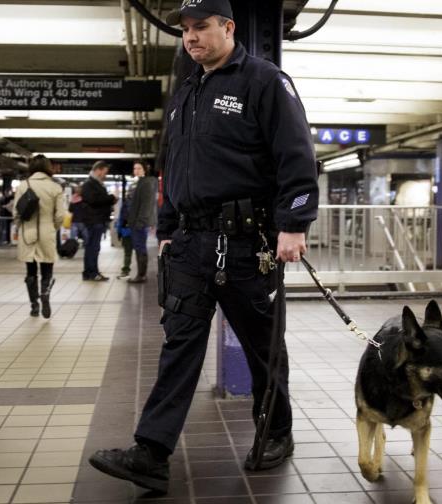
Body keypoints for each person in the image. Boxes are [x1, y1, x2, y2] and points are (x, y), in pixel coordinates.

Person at [89, 0, 319, 493]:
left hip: (247, 243)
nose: (192, 37)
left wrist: (294, 223)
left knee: (262, 347)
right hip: (191, 243)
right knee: (179, 346)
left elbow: (296, 155)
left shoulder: (263, 80)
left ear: (228, 27)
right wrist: (168, 228)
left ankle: (276, 431)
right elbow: (173, 166)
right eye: (186, 30)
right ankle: (151, 452)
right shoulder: (186, 91)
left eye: (201, 27)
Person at [14, 156, 65, 318]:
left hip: (27, 232)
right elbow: (60, 215)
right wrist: (53, 228)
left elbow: (16, 213)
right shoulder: (55, 188)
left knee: (31, 272)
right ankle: (45, 294)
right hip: (47, 232)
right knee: (47, 269)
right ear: (47, 167)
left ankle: (34, 306)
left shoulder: (23, 186)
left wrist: (21, 227)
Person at [80, 160, 117, 281]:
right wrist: (111, 198)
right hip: (94, 221)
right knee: (93, 247)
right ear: (98, 170)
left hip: (97, 220)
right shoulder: (89, 184)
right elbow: (94, 200)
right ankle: (91, 273)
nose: (105, 175)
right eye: (104, 172)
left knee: (93, 247)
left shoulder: (96, 183)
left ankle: (91, 272)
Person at [125, 161, 158, 283]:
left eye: (139, 168)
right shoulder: (138, 183)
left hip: (140, 223)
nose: (136, 170)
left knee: (140, 247)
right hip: (135, 222)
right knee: (138, 247)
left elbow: (146, 205)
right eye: (135, 168)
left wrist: (140, 222)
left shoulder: (146, 183)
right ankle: (140, 273)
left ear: (145, 169)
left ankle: (141, 275)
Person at [115, 185, 134, 279]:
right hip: (138, 231)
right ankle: (140, 273)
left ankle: (126, 271)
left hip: (126, 231)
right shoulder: (141, 203)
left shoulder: (126, 203)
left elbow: (121, 219)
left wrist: (119, 232)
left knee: (127, 252)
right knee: (140, 252)